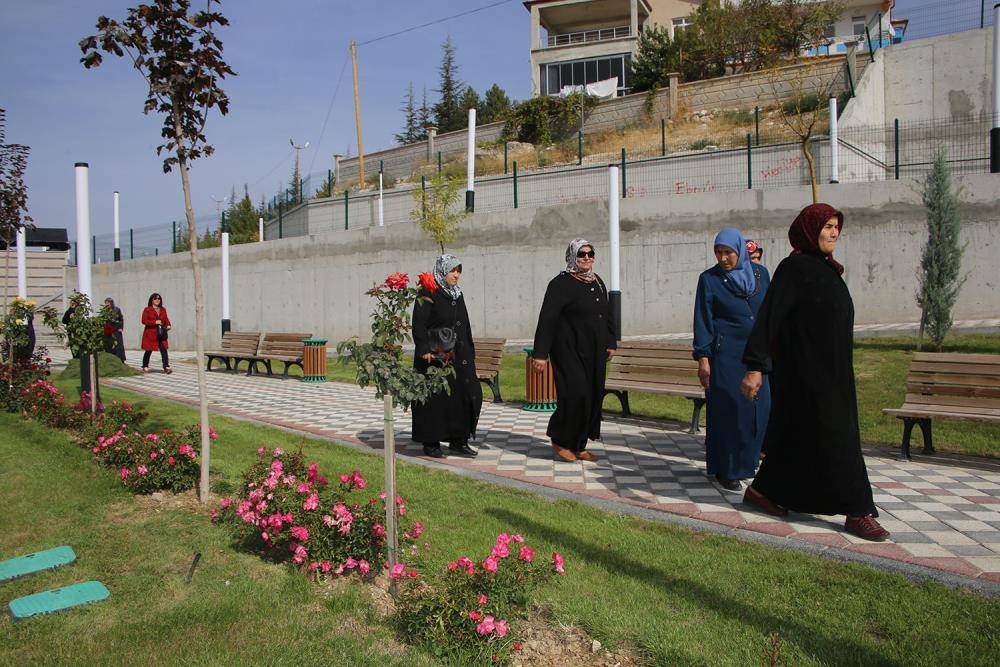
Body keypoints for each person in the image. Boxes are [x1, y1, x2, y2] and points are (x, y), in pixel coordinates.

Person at [739, 203, 890, 541]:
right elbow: (769, 320)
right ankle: (858, 510)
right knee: (841, 440)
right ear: (809, 230)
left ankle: (764, 491)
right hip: (806, 377)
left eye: (837, 226)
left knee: (798, 439)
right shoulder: (794, 268)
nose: (834, 233)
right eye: (826, 227)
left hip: (833, 376)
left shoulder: (827, 269)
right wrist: (755, 367)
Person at [693, 227, 771, 491]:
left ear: (740, 251)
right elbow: (703, 319)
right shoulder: (710, 279)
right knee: (730, 411)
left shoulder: (761, 275)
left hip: (757, 355)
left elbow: (770, 314)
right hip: (725, 355)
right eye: (719, 252)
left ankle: (748, 462)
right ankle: (727, 468)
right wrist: (703, 357)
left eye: (729, 252)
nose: (723, 258)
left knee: (760, 409)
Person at [531, 239, 616, 462]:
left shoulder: (597, 282)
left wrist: (610, 342)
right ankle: (560, 439)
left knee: (592, 396)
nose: (586, 258)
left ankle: (579, 444)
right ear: (572, 257)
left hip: (594, 351)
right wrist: (540, 354)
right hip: (568, 350)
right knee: (576, 395)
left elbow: (606, 314)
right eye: (581, 254)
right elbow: (547, 320)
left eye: (590, 253)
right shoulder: (560, 284)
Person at [411, 254, 482, 458]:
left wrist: (470, 351)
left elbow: (465, 325)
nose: (456, 275)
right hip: (435, 356)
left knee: (465, 395)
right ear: (443, 271)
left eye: (459, 270)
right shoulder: (428, 291)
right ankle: (431, 441)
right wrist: (424, 349)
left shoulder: (456, 294)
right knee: (435, 399)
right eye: (453, 270)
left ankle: (459, 440)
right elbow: (419, 323)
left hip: (459, 355)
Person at [140, 292, 172, 374]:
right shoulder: (147, 309)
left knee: (164, 349)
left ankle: (166, 366)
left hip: (161, 333)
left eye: (159, 298)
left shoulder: (163, 309)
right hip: (151, 333)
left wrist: (168, 325)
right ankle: (145, 365)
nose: (157, 300)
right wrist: (155, 322)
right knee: (149, 350)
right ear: (151, 300)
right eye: (155, 298)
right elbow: (144, 321)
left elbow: (166, 319)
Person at [103, 297, 126, 362]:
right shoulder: (104, 311)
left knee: (118, 345)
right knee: (109, 345)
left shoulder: (117, 310)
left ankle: (120, 359)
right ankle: (110, 359)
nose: (107, 304)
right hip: (108, 330)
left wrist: (121, 328)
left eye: (108, 303)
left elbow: (121, 319)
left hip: (116, 329)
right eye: (106, 303)